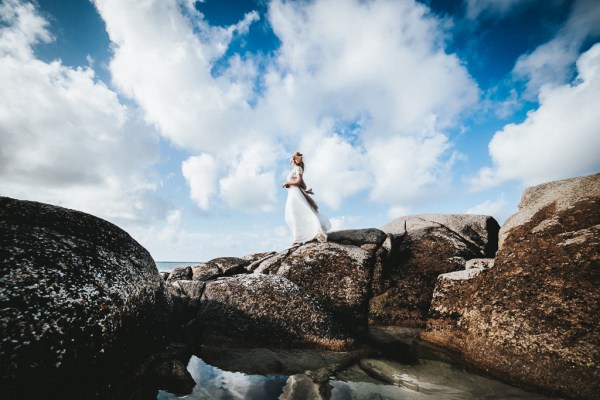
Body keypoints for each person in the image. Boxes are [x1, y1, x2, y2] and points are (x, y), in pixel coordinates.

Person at [282, 151, 331, 246]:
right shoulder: (295, 170)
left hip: (295, 194)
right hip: (293, 193)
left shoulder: (298, 168)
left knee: (296, 213)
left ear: (293, 159)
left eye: (290, 159)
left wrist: (287, 183)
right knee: (292, 215)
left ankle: (298, 239)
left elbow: (299, 181)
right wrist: (291, 185)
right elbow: (303, 185)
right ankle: (300, 236)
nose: (289, 161)